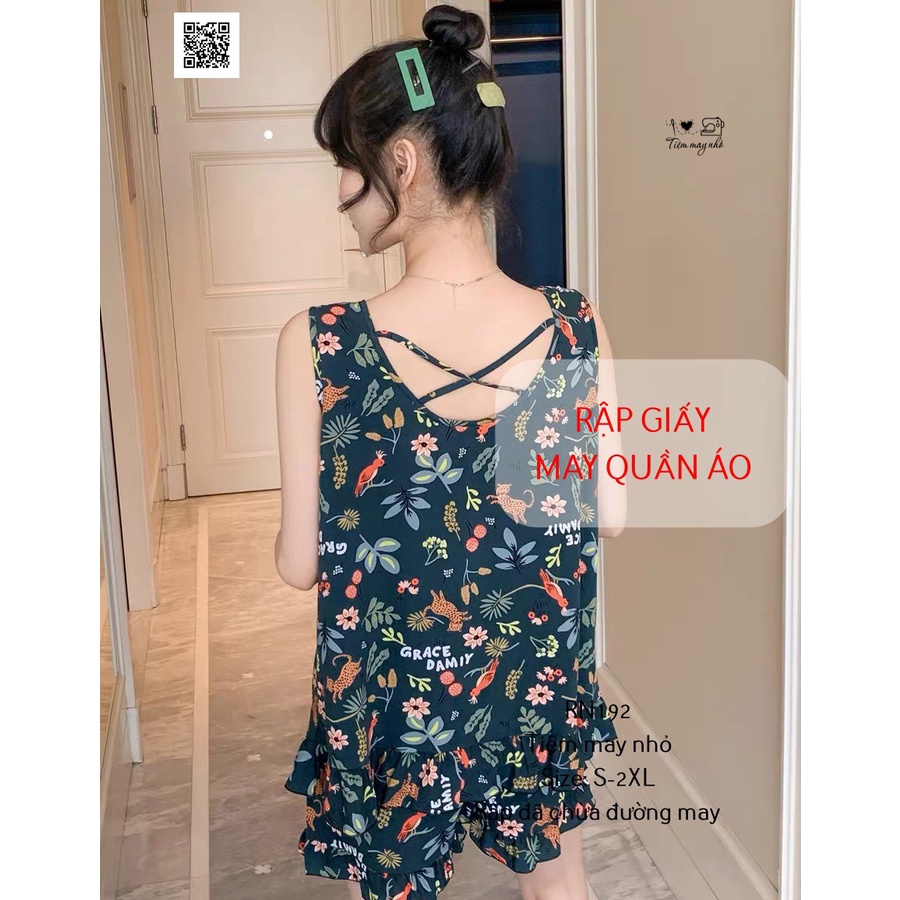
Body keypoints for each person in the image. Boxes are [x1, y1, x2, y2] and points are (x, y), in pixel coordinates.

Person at [274, 6, 627, 900]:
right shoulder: (572, 327)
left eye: (346, 164)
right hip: (531, 682)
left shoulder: (321, 342)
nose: (340, 190)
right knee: (558, 881)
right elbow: (611, 514)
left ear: (400, 162)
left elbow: (299, 563)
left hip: (393, 696)